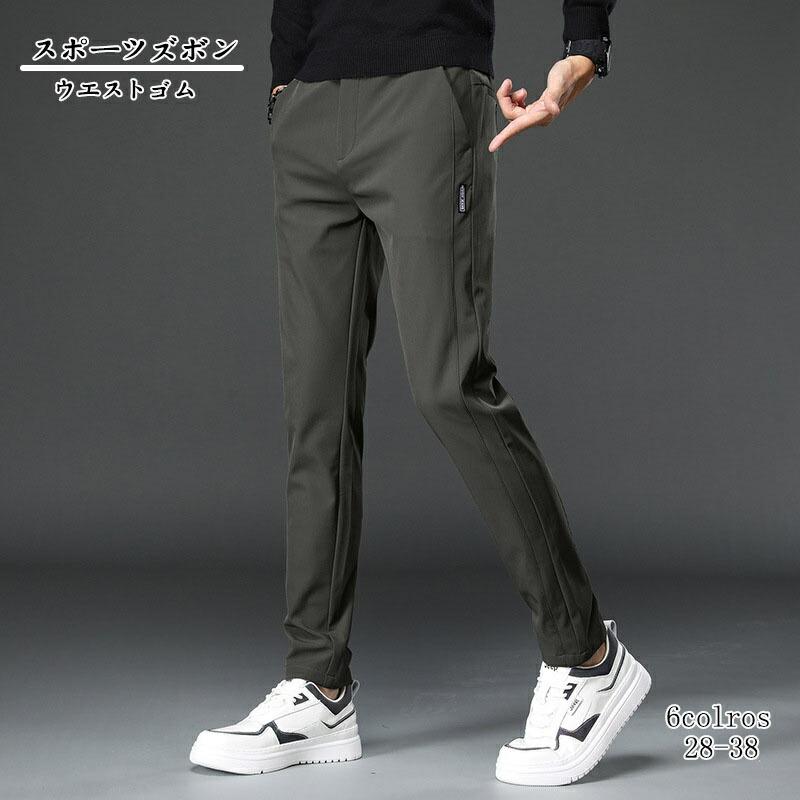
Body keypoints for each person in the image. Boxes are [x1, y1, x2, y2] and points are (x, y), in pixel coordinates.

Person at [190, 0, 650, 785]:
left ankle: (587, 657)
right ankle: (318, 686)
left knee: (450, 383)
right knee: (316, 410)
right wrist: (283, 80)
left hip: (425, 90)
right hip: (309, 104)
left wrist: (584, 41)